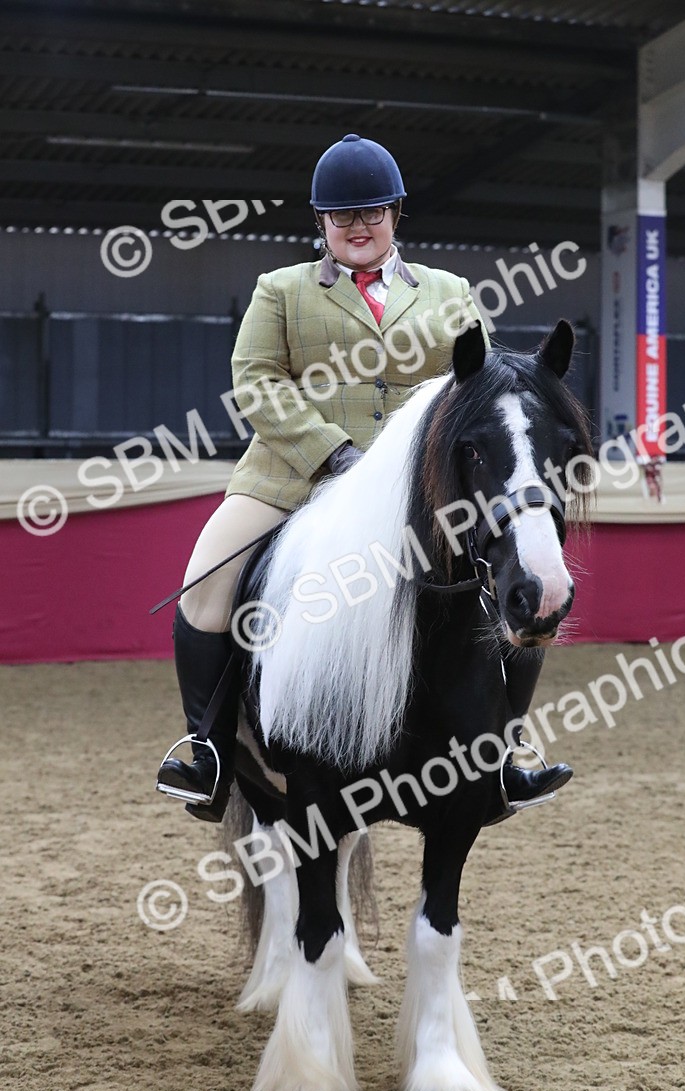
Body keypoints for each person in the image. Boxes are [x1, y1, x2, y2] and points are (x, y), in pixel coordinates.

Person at [156, 133, 568, 824]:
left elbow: (480, 388)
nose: (358, 226)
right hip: (292, 478)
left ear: (396, 215)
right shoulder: (280, 291)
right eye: (342, 216)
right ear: (321, 223)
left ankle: (505, 752)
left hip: (417, 495)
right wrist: (332, 452)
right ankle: (209, 751)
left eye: (372, 212)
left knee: (519, 582)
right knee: (205, 586)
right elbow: (254, 382)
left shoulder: (448, 292)